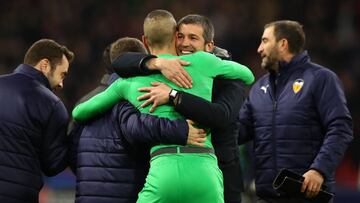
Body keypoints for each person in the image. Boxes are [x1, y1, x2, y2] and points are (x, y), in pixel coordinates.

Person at [72, 10, 254, 203]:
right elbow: (248, 75)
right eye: (182, 37)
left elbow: (79, 112)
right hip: (205, 170)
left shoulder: (127, 83)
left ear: (144, 40)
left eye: (192, 38)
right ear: (175, 36)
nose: (185, 43)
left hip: (163, 169)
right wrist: (214, 61)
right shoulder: (205, 62)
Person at [69, 37, 206, 203]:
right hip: (124, 195)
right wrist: (182, 130)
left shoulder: (85, 101)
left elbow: (71, 150)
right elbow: (139, 127)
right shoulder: (129, 98)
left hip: (86, 195)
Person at [238, 20, 353, 203]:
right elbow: (237, 131)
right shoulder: (259, 88)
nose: (259, 48)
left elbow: (340, 128)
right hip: (266, 197)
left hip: (307, 195)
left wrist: (319, 170)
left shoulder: (321, 79)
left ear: (283, 44)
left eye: (265, 41)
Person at [0, 39, 74, 203]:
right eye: (62, 75)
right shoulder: (52, 105)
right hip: (18, 195)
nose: (61, 84)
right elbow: (52, 166)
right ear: (45, 65)